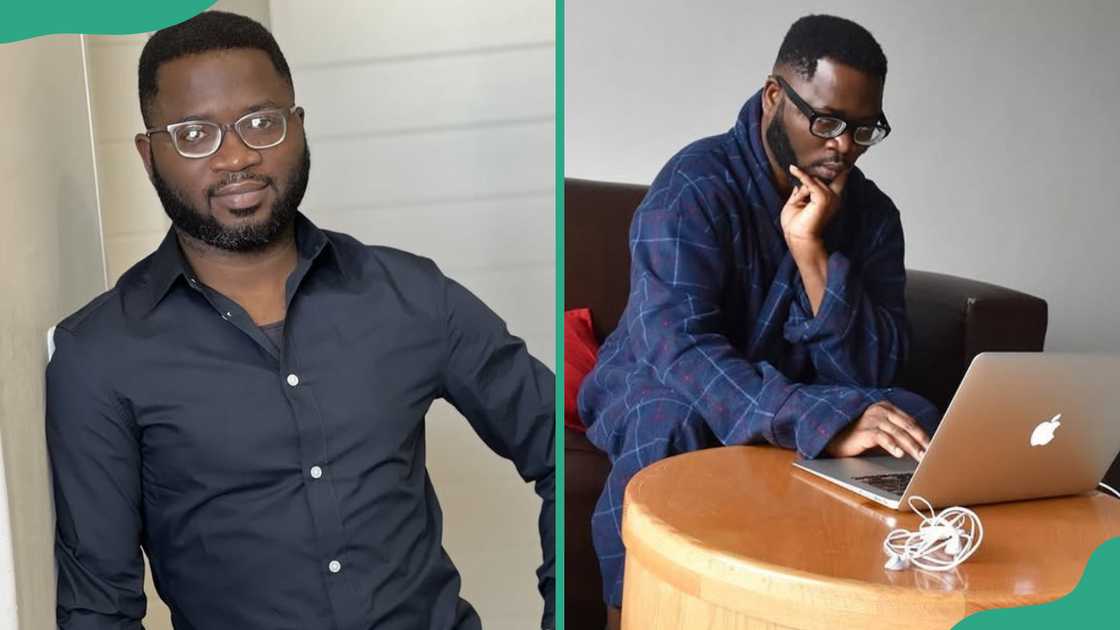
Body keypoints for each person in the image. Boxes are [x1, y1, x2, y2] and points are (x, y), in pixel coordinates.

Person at [45, 11, 554, 630]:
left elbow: (560, 442)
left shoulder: (411, 295)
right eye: (194, 135)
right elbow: (98, 607)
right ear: (150, 155)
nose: (235, 156)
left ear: (298, 127)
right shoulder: (99, 354)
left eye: (261, 122)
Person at [577, 14, 940, 628]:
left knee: (912, 419)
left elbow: (876, 368)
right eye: (825, 122)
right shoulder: (693, 184)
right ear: (776, 96)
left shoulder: (873, 216)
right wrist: (821, 422)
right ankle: (633, 612)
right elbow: (679, 348)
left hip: (796, 384)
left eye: (863, 129)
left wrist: (813, 254)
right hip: (661, 381)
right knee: (668, 429)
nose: (843, 146)